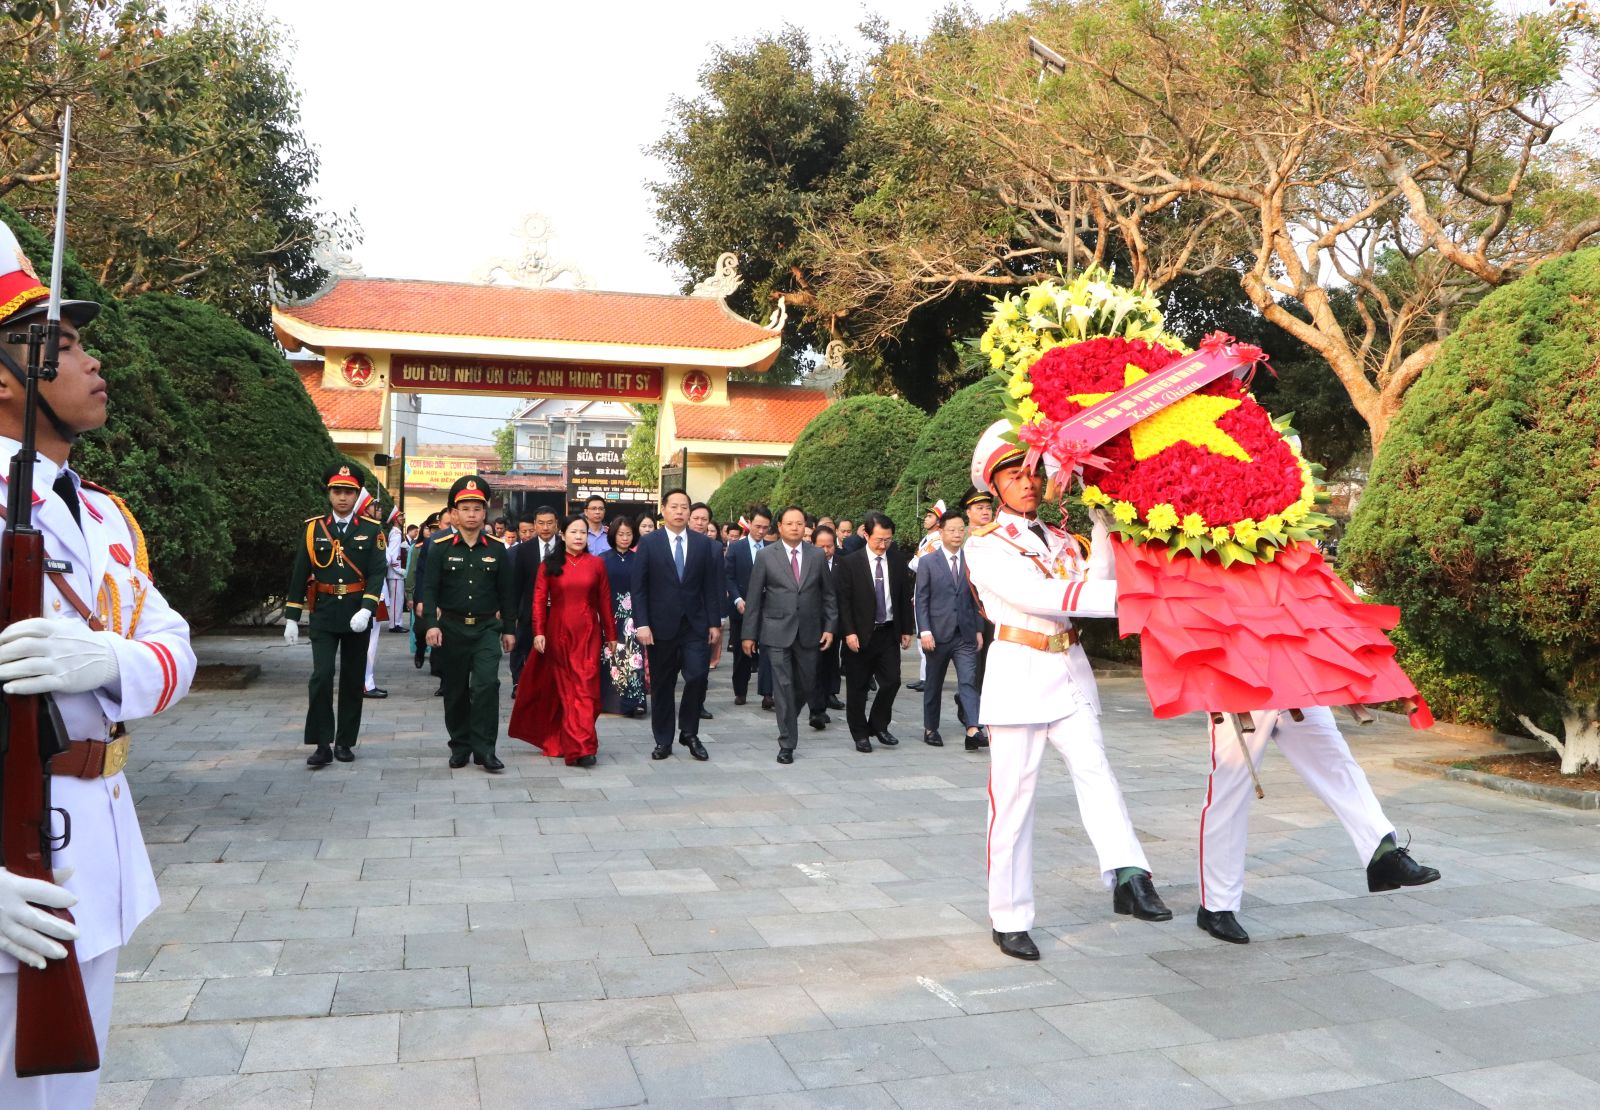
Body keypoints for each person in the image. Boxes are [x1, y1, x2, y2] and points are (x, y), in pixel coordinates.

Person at [0, 234, 196, 1109]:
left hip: (96, 847)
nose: (92, 360)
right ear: (5, 379)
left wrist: (109, 658)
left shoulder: (105, 514)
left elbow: (175, 652)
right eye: (63, 345)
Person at [965, 420, 1170, 962]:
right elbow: (1040, 595)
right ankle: (1009, 916)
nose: (1027, 482)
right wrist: (1121, 600)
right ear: (994, 485)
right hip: (1018, 674)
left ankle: (1129, 874)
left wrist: (1102, 520)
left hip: (1068, 668)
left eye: (1034, 472)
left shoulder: (1060, 539)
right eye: (1014, 475)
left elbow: (1097, 578)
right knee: (1013, 803)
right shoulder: (985, 546)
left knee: (1098, 773)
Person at [1197, 709, 1440, 944]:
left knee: (1338, 764)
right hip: (1239, 691)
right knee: (1230, 794)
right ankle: (1217, 905)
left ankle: (1383, 853)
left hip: (1298, 687)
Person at [284, 465, 389, 766]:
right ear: (329, 493)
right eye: (337, 491)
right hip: (325, 612)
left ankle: (345, 741)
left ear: (357, 495)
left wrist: (367, 608)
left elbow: (377, 572)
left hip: (357, 612)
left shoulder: (372, 529)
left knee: (353, 679)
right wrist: (292, 616)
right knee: (321, 676)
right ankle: (321, 743)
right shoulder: (314, 529)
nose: (343, 497)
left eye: (348, 492)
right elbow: (300, 572)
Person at [421, 476, 515, 773]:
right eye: (465, 509)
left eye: (477, 508)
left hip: (486, 628)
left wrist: (509, 629)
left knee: (487, 685)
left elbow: (507, 592)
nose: (472, 514)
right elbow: (428, 589)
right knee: (456, 690)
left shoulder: (497, 548)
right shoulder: (439, 546)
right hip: (452, 628)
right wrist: (430, 625)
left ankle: (485, 749)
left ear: (485, 512)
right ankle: (460, 746)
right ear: (454, 513)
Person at [509, 516, 620, 767]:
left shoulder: (596, 564)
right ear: (563, 535)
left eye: (583, 533)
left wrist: (611, 635)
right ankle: (582, 747)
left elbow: (605, 601)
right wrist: (538, 632)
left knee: (587, 690)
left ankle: (580, 742)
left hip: (589, 633)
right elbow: (538, 601)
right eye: (573, 532)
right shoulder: (549, 565)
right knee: (568, 691)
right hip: (558, 634)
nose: (579, 537)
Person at [741, 505, 838, 763]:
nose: (795, 527)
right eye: (790, 523)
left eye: (799, 523)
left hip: (809, 631)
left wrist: (830, 627)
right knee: (782, 686)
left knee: (807, 684)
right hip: (776, 631)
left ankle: (787, 717)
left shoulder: (816, 555)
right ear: (780, 527)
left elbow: (828, 596)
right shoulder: (766, 556)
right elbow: (754, 597)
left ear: (806, 526)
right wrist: (748, 634)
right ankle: (787, 742)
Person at [632, 489, 722, 761]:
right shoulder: (650, 543)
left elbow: (710, 586)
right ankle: (663, 740)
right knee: (662, 685)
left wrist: (714, 623)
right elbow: (639, 587)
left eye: (684, 506)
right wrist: (642, 624)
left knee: (697, 676)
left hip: (695, 625)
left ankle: (689, 732)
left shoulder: (703, 544)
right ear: (664, 509)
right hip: (660, 627)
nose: (680, 511)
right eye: (674, 506)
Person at [834, 511, 913, 752]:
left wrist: (907, 629)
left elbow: (903, 596)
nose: (883, 545)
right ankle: (860, 733)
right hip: (859, 634)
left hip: (888, 632)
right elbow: (843, 602)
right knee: (857, 687)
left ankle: (878, 724)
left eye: (888, 540)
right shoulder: (850, 562)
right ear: (866, 535)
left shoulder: (897, 560)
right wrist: (848, 632)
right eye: (878, 539)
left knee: (892, 681)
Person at [914, 510, 986, 751]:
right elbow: (921, 599)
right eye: (952, 530)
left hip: (965, 634)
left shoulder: (971, 560)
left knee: (968, 682)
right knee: (933, 684)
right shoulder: (928, 562)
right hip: (937, 634)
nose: (957, 534)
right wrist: (925, 631)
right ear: (941, 532)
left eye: (960, 530)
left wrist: (978, 630)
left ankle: (973, 729)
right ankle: (930, 728)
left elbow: (976, 599)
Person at [725, 505, 775, 708]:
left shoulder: (773, 548)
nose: (761, 531)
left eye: (765, 527)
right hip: (743, 607)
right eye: (757, 526)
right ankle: (740, 691)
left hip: (768, 607)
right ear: (749, 523)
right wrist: (737, 599)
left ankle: (767, 693)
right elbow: (728, 577)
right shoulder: (736, 547)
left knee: (768, 650)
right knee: (741, 652)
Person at [600, 516, 648, 718]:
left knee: (634, 659)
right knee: (610, 658)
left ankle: (636, 702)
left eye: (629, 534)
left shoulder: (639, 559)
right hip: (610, 614)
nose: (625, 538)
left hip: (633, 617)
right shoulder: (602, 559)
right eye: (621, 534)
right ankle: (610, 702)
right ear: (613, 535)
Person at [959, 486, 997, 738]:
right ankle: (971, 712)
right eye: (979, 508)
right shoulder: (961, 537)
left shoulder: (999, 535)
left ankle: (978, 708)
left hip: (995, 610)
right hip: (972, 610)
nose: (985, 512)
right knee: (973, 666)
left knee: (991, 664)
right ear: (968, 512)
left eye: (988, 507)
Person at [509, 507, 559, 694]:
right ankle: (521, 684)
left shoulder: (565, 546)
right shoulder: (524, 549)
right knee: (526, 649)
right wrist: (512, 614)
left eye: (549, 523)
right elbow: (517, 584)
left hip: (558, 610)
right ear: (535, 525)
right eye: (541, 523)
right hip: (529, 610)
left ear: (556, 524)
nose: (545, 527)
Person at [808, 524, 846, 719]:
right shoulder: (806, 564)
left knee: (831, 660)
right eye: (821, 546)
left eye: (829, 546)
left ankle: (831, 693)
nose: (825, 550)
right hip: (812, 621)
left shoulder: (843, 564)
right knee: (815, 664)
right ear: (812, 544)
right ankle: (817, 707)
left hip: (835, 621)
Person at [384, 507, 407, 631]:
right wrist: (399, 570)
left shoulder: (397, 533)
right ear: (395, 520)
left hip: (396, 574)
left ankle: (397, 623)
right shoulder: (396, 534)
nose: (403, 518)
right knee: (396, 601)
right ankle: (394, 625)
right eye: (400, 517)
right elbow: (393, 555)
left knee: (399, 600)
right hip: (395, 574)